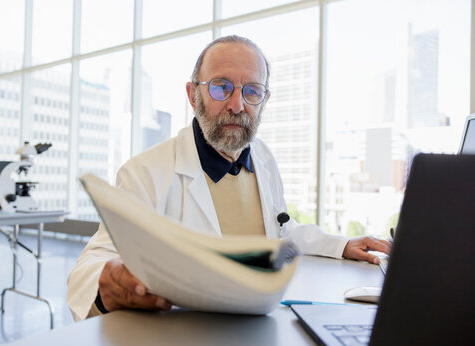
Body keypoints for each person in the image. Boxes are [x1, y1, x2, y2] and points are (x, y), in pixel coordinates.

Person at [67, 35, 391, 321]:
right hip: (184, 336)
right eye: (222, 87)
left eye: (252, 91)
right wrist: (106, 286)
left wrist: (341, 244)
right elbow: (95, 261)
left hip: (258, 323)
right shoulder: (145, 172)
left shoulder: (263, 159)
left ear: (263, 100)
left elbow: (281, 230)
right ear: (194, 96)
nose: (236, 105)